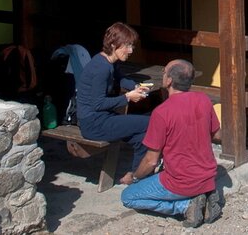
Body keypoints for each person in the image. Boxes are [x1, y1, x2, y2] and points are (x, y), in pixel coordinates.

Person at [121, 59, 222, 227]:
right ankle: (201, 196)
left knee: (128, 197)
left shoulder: (161, 112)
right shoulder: (203, 100)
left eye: (164, 72)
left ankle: (186, 206)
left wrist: (134, 176)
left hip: (180, 181)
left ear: (168, 81)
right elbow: (216, 133)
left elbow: (151, 160)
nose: (163, 75)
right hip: (207, 176)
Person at [75, 22, 151, 184]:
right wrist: (128, 98)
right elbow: (97, 104)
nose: (130, 51)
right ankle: (140, 176)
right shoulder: (101, 68)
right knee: (150, 122)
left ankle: (137, 175)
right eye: (127, 46)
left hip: (103, 118)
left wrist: (136, 87)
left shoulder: (109, 62)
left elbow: (120, 77)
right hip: (93, 124)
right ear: (112, 44)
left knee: (142, 135)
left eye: (132, 46)